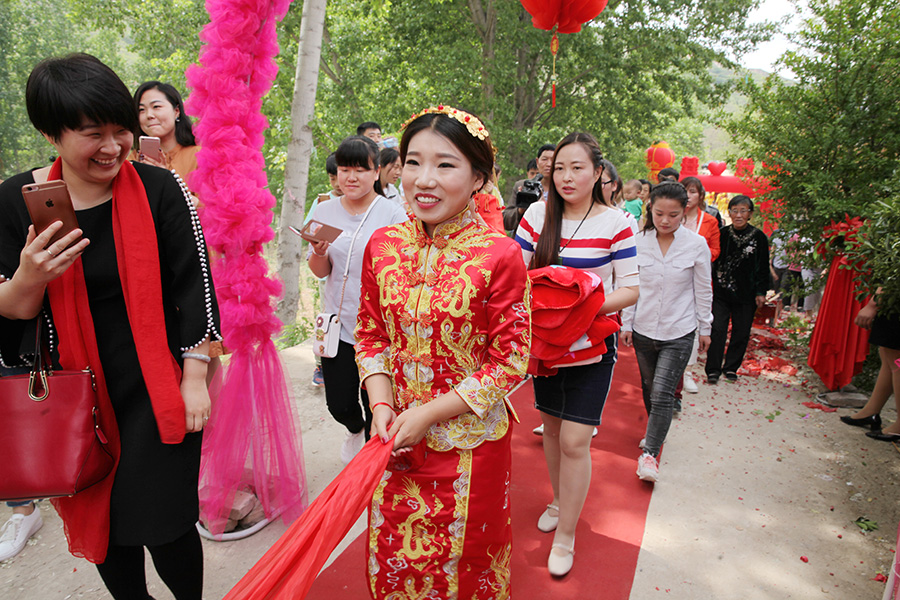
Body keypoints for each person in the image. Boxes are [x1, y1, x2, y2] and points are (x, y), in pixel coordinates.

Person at [0, 53, 220, 598]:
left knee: (168, 525)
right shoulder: (14, 202)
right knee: (109, 528)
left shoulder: (158, 188)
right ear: (51, 133)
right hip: (76, 394)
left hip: (159, 386)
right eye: (92, 134)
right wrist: (30, 276)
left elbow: (196, 286)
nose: (112, 147)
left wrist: (195, 377)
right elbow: (9, 315)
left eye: (121, 131)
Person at [356, 105, 530, 599]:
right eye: (412, 162)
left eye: (445, 164)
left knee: (465, 564)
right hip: (395, 441)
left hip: (470, 447)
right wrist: (384, 406)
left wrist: (429, 413)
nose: (424, 180)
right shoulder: (383, 245)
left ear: (478, 176)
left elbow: (510, 360)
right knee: (393, 557)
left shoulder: (500, 254)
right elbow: (371, 335)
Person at [516, 134, 639, 576]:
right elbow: (515, 272)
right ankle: (558, 498)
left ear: (599, 172)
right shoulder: (536, 215)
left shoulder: (617, 223)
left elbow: (630, 287)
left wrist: (579, 303)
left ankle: (566, 534)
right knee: (550, 430)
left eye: (577, 168)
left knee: (574, 440)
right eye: (560, 168)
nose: (567, 177)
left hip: (591, 348)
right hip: (545, 347)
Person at [306, 135, 407, 464]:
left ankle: (370, 465)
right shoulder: (324, 210)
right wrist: (319, 253)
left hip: (378, 332)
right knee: (340, 404)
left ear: (376, 172)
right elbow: (320, 271)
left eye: (360, 170)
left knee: (374, 400)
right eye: (344, 169)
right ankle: (354, 428)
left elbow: (401, 273)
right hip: (336, 326)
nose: (351, 177)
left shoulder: (394, 215)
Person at [621, 182, 712, 482]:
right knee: (649, 388)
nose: (665, 220)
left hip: (679, 329)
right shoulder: (638, 241)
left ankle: (650, 454)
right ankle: (655, 430)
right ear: (650, 209)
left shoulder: (696, 245)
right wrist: (626, 323)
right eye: (659, 213)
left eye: (673, 215)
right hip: (644, 328)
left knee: (662, 392)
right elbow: (631, 287)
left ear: (684, 212)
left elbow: (703, 289)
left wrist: (705, 328)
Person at [706, 195, 770, 384]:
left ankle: (731, 368)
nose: (739, 215)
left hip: (746, 294)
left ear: (750, 214)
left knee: (741, 332)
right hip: (721, 292)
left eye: (743, 211)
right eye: (735, 210)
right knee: (717, 330)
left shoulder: (759, 237)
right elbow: (713, 260)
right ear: (730, 212)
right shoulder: (723, 233)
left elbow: (763, 266)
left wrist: (761, 292)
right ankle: (713, 369)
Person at [679, 176, 720, 394]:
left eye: (692, 191)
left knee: (693, 327)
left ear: (700, 195)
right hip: (673, 281)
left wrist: (692, 256)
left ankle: (687, 372)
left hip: (696, 280)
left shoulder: (710, 221)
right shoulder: (672, 217)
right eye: (684, 191)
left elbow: (714, 251)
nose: (688, 196)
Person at [839, 294, 900, 440]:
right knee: (887, 352)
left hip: (894, 296)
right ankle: (871, 411)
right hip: (891, 299)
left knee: (896, 357)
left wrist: (873, 304)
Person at [133, 81, 201, 203]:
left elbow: (208, 209)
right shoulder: (132, 160)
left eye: (156, 107)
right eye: (141, 110)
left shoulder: (199, 156)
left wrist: (166, 177)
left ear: (176, 111)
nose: (149, 115)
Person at [503, 143, 556, 232]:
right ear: (537, 162)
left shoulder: (563, 188)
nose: (549, 164)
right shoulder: (522, 186)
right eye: (544, 159)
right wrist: (521, 210)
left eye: (553, 160)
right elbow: (505, 221)